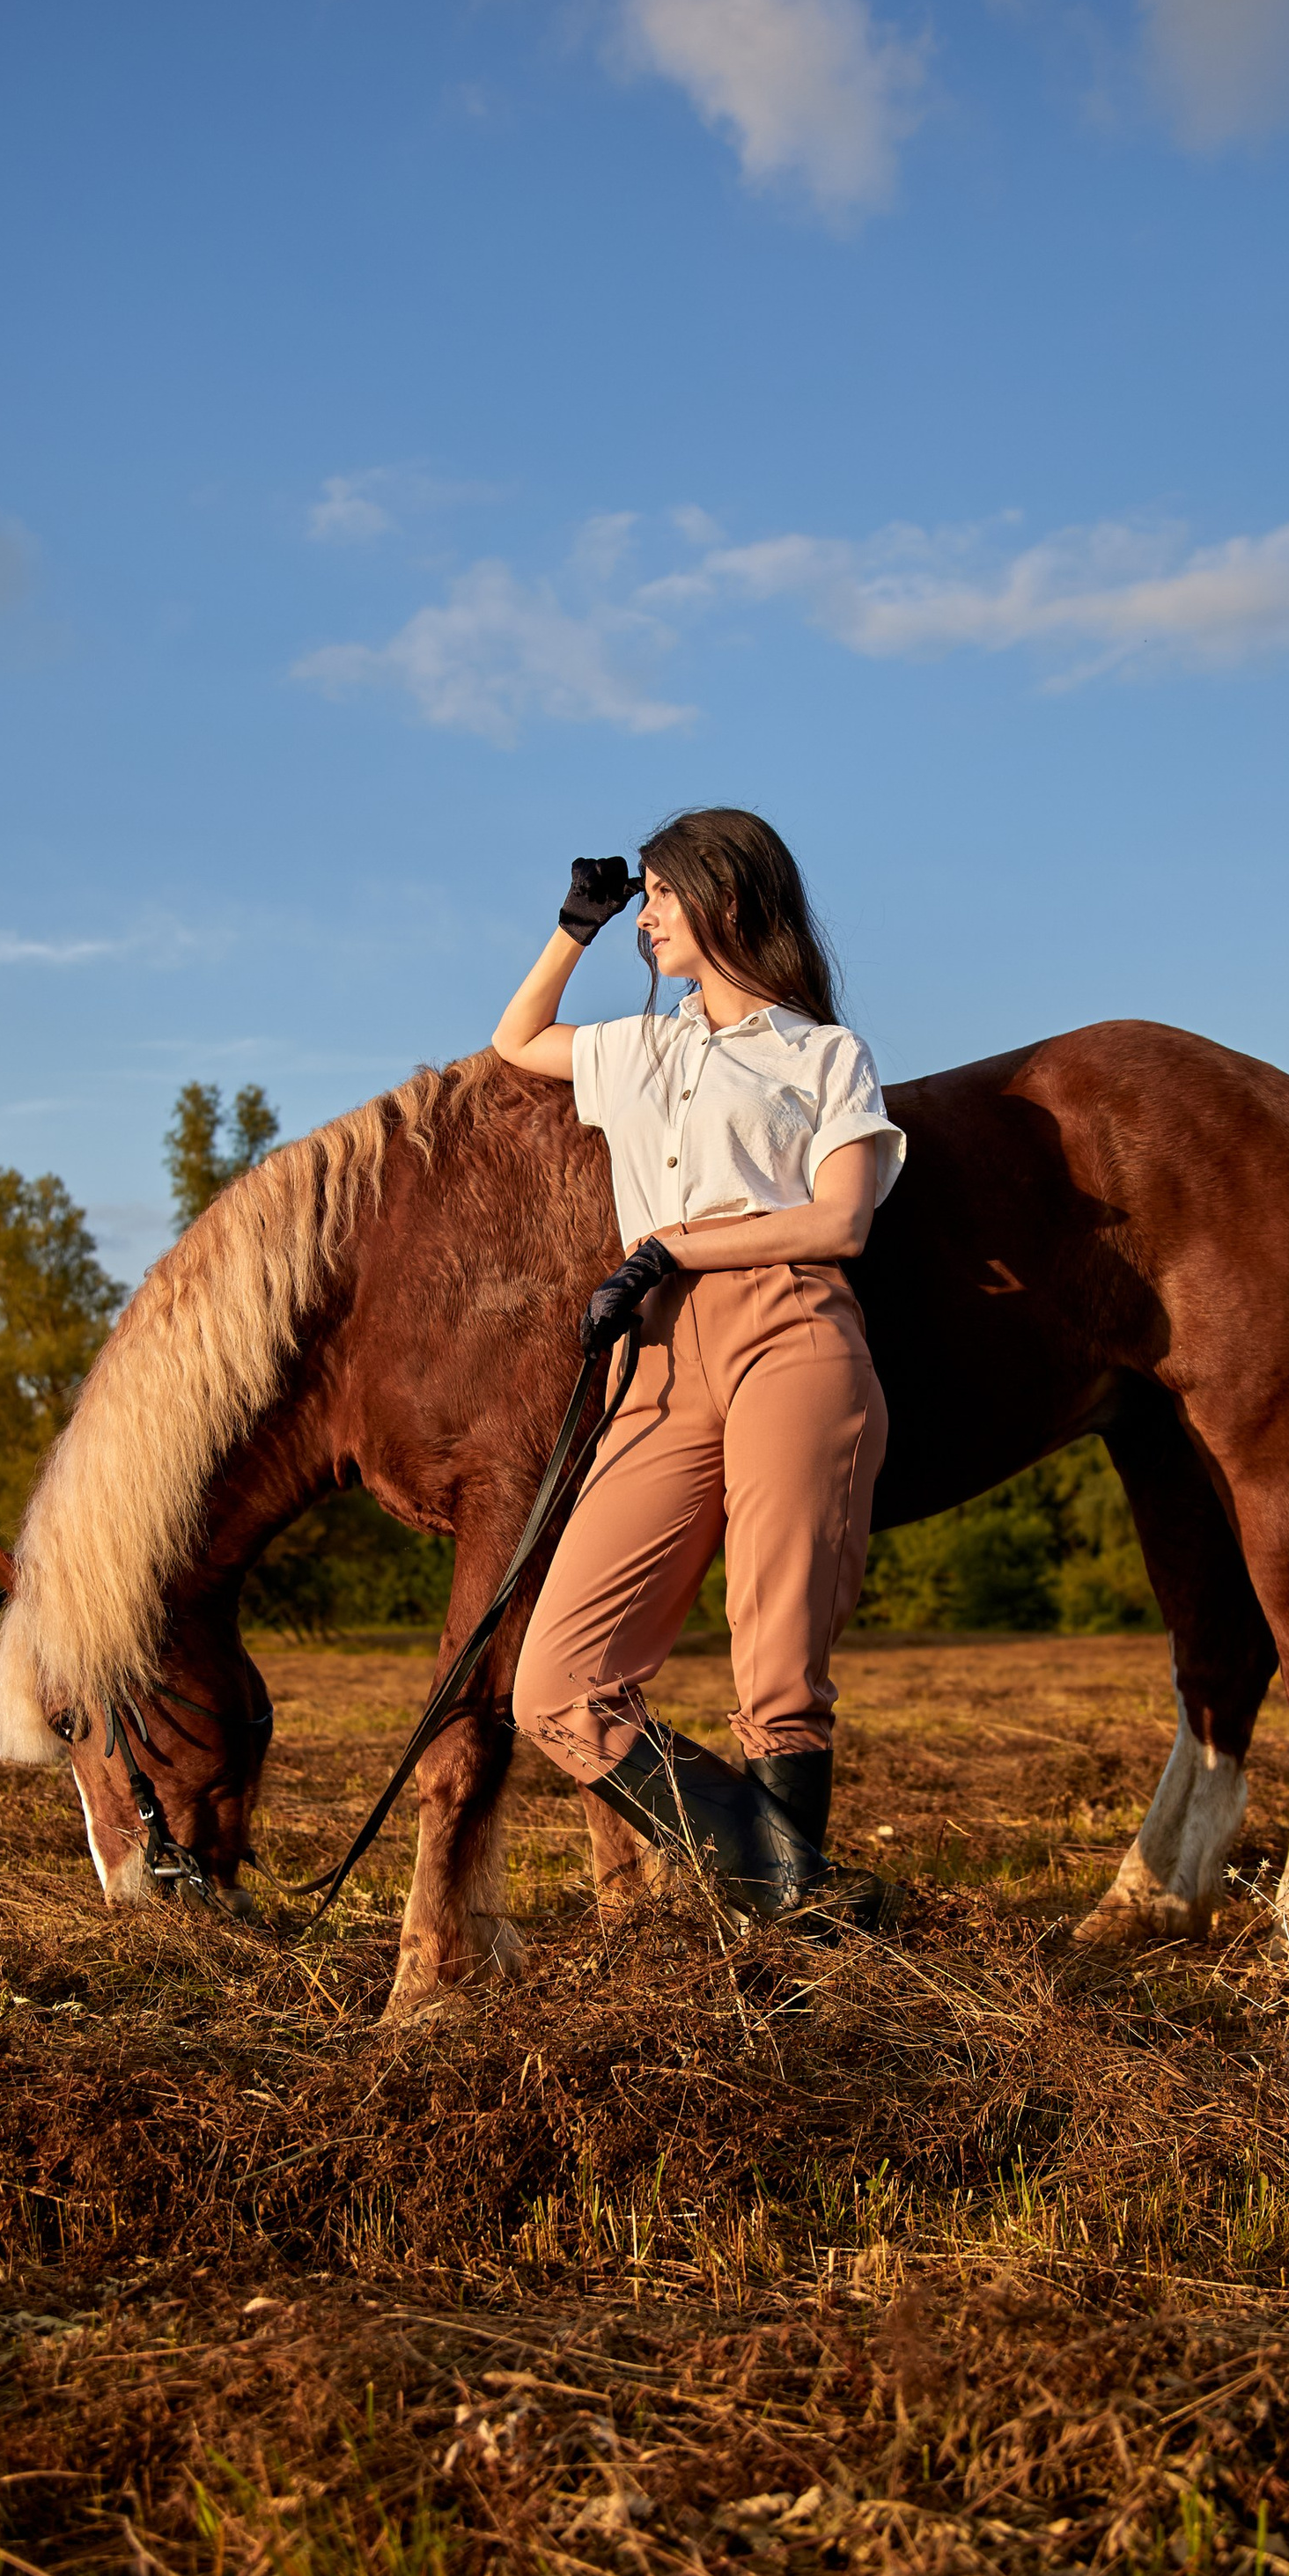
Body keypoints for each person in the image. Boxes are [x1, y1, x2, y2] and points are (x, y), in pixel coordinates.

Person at [494, 808, 904, 1925]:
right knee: (555, 1686)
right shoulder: (641, 1048)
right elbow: (517, 1039)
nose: (648, 917)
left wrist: (673, 1246)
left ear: (727, 896)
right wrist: (572, 929)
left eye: (662, 894)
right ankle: (803, 1893)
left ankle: (793, 1946)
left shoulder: (822, 1054)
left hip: (789, 1330)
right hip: (661, 1355)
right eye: (642, 899)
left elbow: (843, 1220)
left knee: (777, 1668)